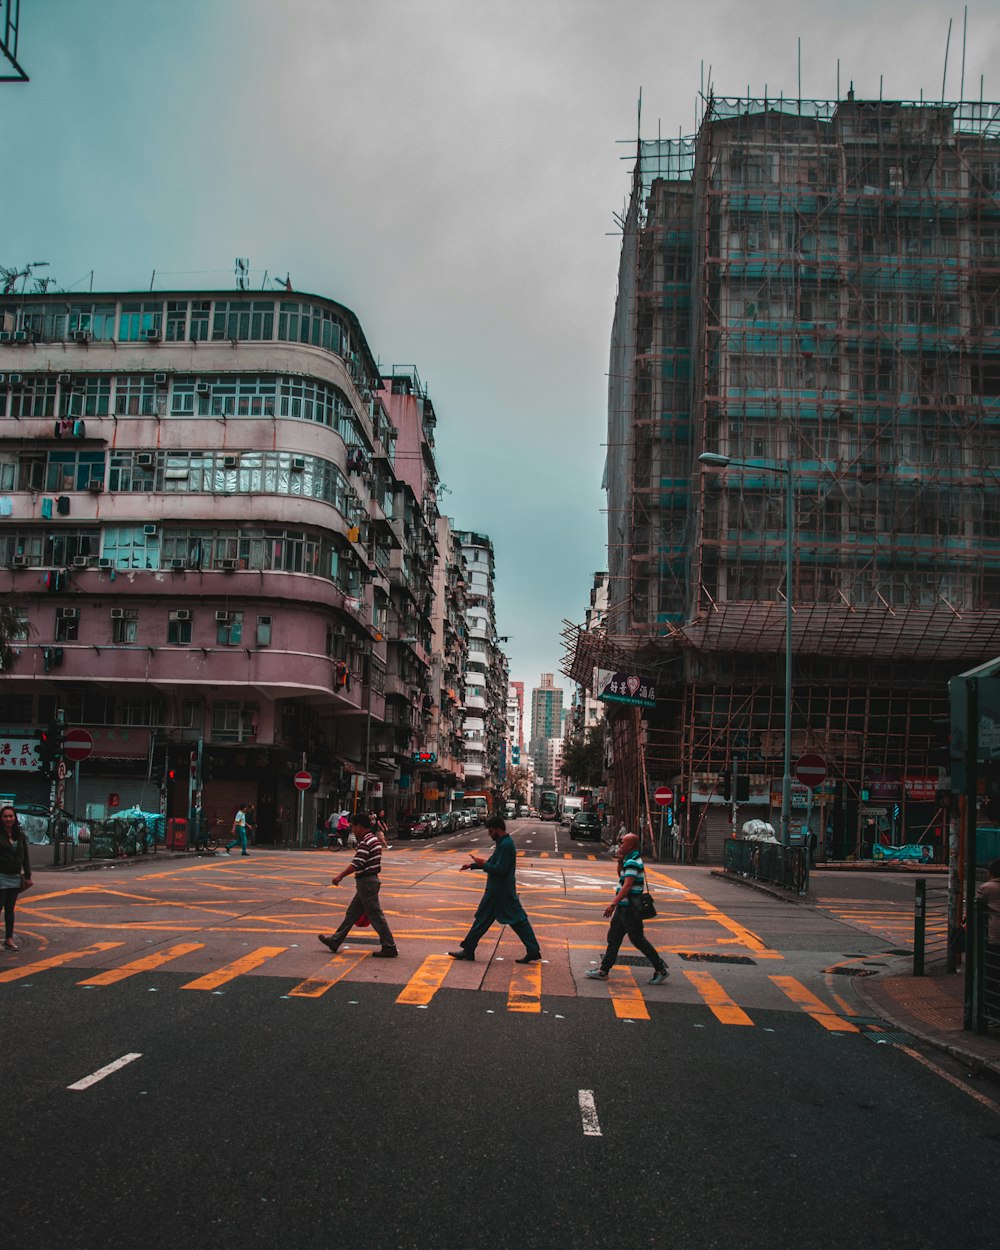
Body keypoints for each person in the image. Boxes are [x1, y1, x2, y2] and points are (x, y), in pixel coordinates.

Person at [448, 814, 541, 963]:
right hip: (499, 891)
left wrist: (483, 864)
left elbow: (500, 869)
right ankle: (469, 949)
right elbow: (492, 862)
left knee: (516, 921)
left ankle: (533, 950)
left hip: (500, 892)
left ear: (498, 829)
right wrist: (473, 865)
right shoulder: (502, 843)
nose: (490, 835)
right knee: (485, 920)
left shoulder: (505, 845)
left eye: (491, 831)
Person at [586, 832, 668, 985]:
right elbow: (622, 877)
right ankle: (603, 971)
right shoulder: (629, 860)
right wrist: (619, 861)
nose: (620, 845)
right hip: (624, 908)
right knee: (614, 938)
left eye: (623, 843)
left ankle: (661, 969)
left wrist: (613, 904)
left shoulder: (633, 862)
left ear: (630, 845)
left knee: (638, 940)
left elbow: (627, 886)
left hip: (629, 908)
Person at [318, 813, 398, 957]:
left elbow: (357, 863)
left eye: (353, 826)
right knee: (352, 914)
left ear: (360, 826)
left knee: (375, 916)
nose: (352, 830)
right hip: (367, 882)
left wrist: (339, 876)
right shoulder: (372, 839)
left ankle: (389, 946)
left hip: (366, 882)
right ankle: (335, 941)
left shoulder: (366, 842)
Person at [0, 805, 32, 952]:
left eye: (11, 816)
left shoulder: (19, 835)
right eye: (5, 816)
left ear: (15, 818)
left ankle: (9, 938)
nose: (8, 819)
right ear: (1, 819)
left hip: (14, 877)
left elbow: (25, 856)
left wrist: (28, 876)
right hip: (1, 876)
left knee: (10, 910)